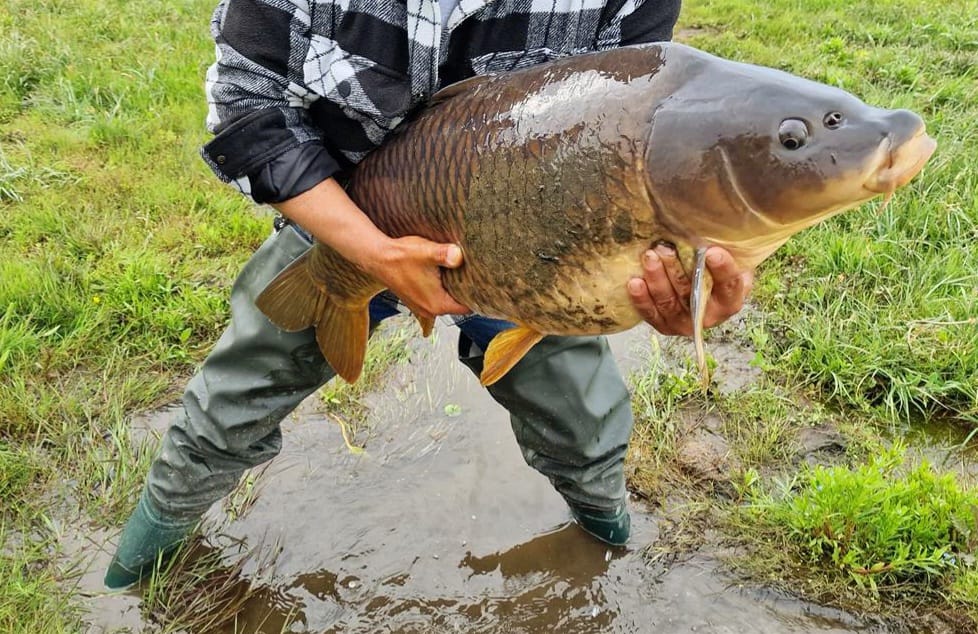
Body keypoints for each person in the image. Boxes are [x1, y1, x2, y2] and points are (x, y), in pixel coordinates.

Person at [104, 0, 753, 589]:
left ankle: (603, 526)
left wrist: (691, 279)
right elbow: (245, 107)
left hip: (533, 246)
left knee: (582, 420)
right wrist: (370, 252)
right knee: (234, 397)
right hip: (348, 210)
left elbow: (646, 123)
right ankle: (141, 558)